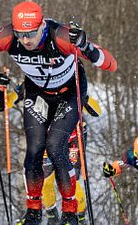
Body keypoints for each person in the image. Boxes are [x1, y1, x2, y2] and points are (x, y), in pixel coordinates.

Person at [0, 1, 117, 225]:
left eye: (31, 33)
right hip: (37, 92)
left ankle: (70, 213)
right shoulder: (7, 36)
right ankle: (33, 212)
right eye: (20, 34)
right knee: (34, 150)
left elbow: (110, 64)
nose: (25, 40)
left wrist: (86, 46)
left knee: (55, 147)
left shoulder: (61, 36)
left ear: (42, 26)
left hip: (69, 92)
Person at [39, 96, 102, 225]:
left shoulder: (71, 86)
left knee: (70, 181)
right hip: (51, 140)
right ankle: (52, 216)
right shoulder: (40, 86)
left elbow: (97, 111)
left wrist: (84, 98)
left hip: (73, 139)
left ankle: (80, 218)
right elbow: (6, 104)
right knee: (45, 182)